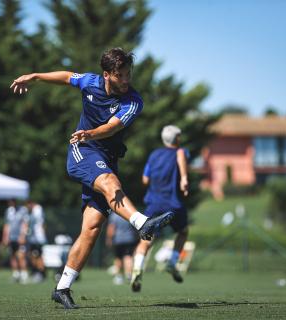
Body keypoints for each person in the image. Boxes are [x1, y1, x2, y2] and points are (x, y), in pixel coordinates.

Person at [10, 47, 173, 309]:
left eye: (128, 74)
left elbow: (113, 127)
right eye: (120, 75)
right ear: (106, 74)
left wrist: (92, 132)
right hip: (82, 151)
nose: (126, 80)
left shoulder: (134, 101)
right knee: (110, 182)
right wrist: (35, 76)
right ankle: (142, 222)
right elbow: (66, 77)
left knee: (92, 227)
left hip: (101, 151)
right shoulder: (89, 82)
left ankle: (62, 287)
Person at [130, 125, 190, 292]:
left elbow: (145, 179)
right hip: (173, 203)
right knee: (183, 231)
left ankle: (136, 269)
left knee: (146, 239)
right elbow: (180, 156)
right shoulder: (181, 151)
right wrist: (184, 178)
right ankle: (172, 262)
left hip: (153, 203)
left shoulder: (154, 155)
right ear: (177, 139)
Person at [106, 212, 138, 285]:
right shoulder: (129, 213)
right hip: (130, 238)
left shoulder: (114, 215)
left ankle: (119, 277)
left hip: (118, 240)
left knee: (118, 258)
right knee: (128, 257)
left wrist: (109, 239)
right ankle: (129, 275)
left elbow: (111, 228)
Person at [2, 199, 29, 284]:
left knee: (21, 256)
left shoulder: (23, 210)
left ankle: (24, 274)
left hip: (19, 237)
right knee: (12, 255)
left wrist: (22, 236)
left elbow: (25, 224)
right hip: (11, 237)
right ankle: (16, 274)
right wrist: (5, 237)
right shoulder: (9, 211)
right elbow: (7, 225)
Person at [24, 200, 47, 283]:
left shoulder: (37, 209)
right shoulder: (31, 211)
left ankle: (41, 273)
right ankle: (36, 272)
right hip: (33, 237)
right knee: (32, 255)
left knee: (38, 256)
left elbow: (39, 223)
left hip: (38, 238)